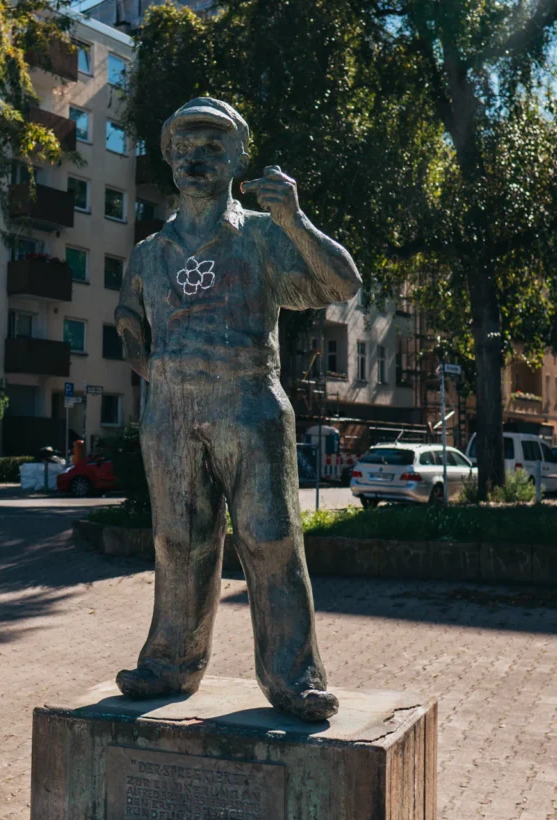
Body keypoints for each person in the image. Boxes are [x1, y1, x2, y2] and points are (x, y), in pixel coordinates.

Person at [114, 97, 361, 721]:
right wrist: (169, 380)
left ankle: (294, 676)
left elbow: (342, 285)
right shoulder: (148, 254)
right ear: (168, 157)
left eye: (214, 146)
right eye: (186, 146)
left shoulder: (262, 235)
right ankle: (170, 661)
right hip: (170, 415)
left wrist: (297, 220)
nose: (198, 158)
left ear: (237, 158)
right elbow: (130, 332)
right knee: (176, 540)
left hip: (251, 407)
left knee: (273, 539)